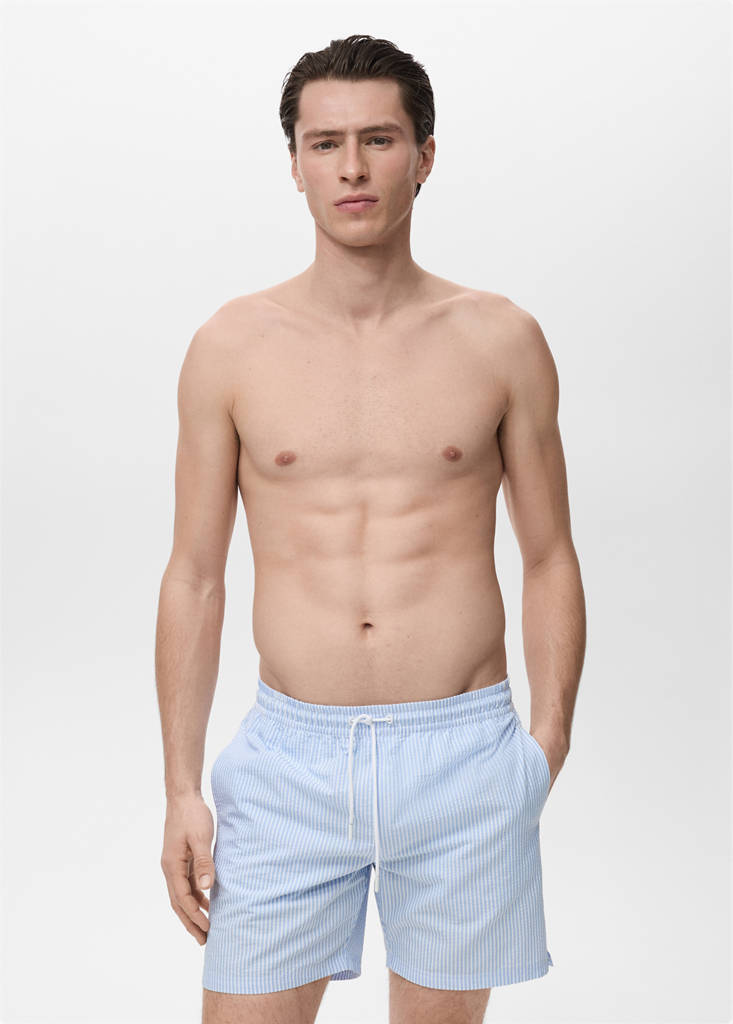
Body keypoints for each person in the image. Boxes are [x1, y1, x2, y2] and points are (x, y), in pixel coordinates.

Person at [156, 32, 585, 1024]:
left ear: (423, 155)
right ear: (295, 164)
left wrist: (545, 744)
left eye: (378, 140)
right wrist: (180, 786)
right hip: (289, 760)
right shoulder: (229, 347)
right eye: (325, 143)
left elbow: (549, 554)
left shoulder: (501, 340)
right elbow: (194, 574)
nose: (351, 167)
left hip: (465, 756)